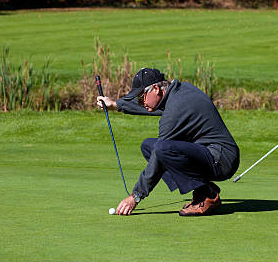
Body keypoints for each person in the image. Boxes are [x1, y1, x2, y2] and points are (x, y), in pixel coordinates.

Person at [97, 68, 240, 216]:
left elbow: (160, 154)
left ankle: (207, 196)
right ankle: (203, 189)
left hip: (222, 160)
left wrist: (136, 196)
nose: (141, 102)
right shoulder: (179, 92)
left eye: (141, 97)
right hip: (209, 153)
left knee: (161, 149)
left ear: (156, 89)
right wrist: (116, 104)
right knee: (149, 146)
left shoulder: (176, 109)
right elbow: (154, 106)